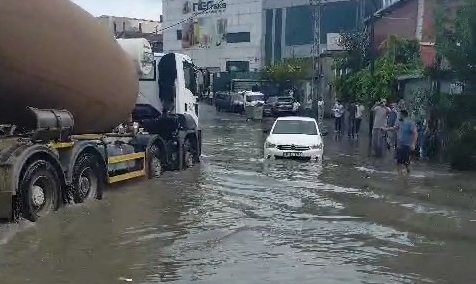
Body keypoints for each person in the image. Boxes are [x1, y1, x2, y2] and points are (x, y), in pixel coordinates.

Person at [386, 110, 418, 175]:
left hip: (407, 145)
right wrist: (386, 129)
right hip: (400, 145)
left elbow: (415, 133)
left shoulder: (410, 123)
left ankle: (408, 175)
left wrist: (413, 144)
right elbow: (395, 128)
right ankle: (400, 176)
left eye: (399, 115)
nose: (398, 116)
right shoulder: (400, 122)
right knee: (398, 161)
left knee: (406, 162)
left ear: (403, 115)